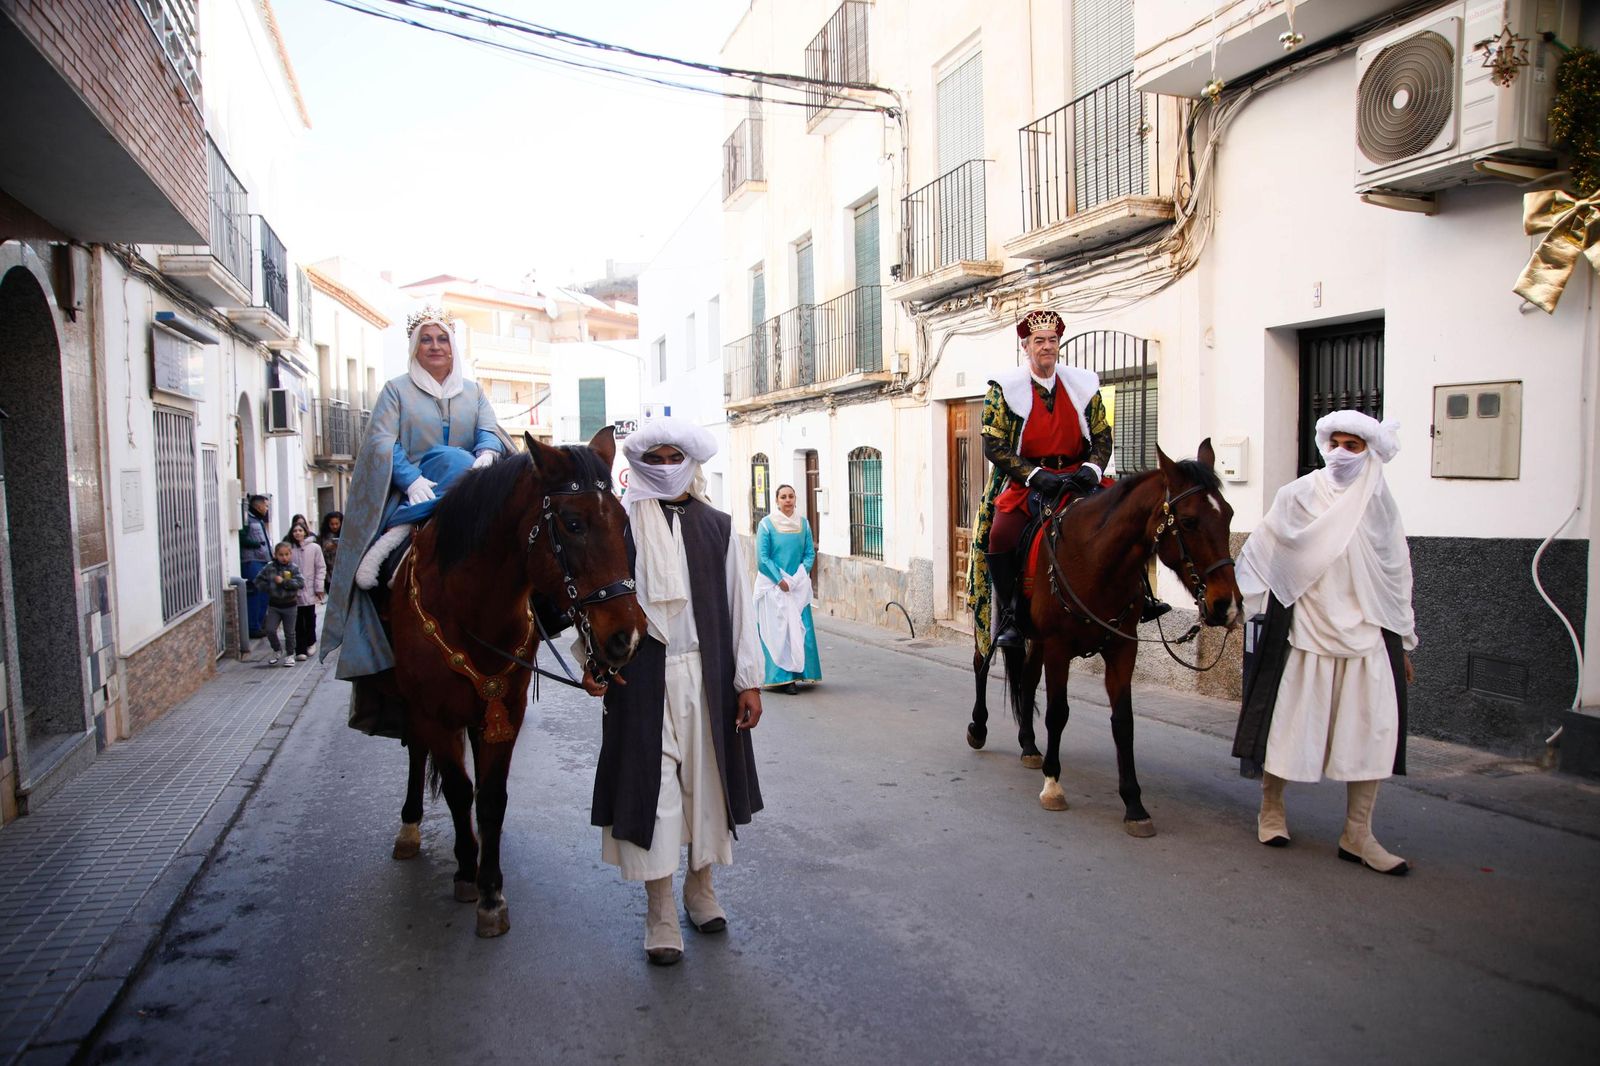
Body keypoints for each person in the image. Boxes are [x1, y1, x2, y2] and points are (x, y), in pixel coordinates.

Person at [582, 417, 764, 967]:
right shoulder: (621, 527)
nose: (664, 467)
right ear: (638, 465)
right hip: (641, 679)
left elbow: (739, 607)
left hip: (706, 676)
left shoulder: (717, 526)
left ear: (689, 462)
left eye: (672, 458)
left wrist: (747, 679)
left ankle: (700, 889)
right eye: (653, 459)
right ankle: (660, 911)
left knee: (707, 787)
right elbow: (594, 597)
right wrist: (592, 660)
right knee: (653, 793)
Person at [1233, 410, 1418, 876]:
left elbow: (1396, 571)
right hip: (1305, 631)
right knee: (1288, 727)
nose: (1340, 453)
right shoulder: (1298, 494)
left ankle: (1358, 833)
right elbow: (1265, 548)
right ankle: (1271, 810)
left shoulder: (1379, 504)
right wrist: (1248, 606)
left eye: (1352, 446)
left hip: (1368, 634)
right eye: (1334, 443)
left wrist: (1406, 641)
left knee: (1370, 734)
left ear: (1369, 452)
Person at [320, 308, 508, 733]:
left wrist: (487, 454)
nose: (436, 346)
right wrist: (412, 479)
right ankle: (383, 657)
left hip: (470, 492)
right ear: (415, 347)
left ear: (453, 345)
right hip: (414, 491)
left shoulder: (473, 392)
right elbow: (383, 442)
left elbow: (490, 429)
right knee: (375, 573)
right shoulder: (395, 391)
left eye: (442, 339)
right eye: (427, 340)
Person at [968, 308, 1164, 655]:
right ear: (1026, 347)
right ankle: (1012, 617)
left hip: (1078, 477)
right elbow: (993, 444)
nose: (1047, 347)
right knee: (1000, 534)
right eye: (1039, 341)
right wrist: (1032, 474)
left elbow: (1102, 434)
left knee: (1126, 521)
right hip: (1030, 480)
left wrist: (1092, 467)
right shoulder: (1003, 389)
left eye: (1052, 340)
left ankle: (1143, 597)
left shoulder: (1082, 385)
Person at [754, 484, 821, 693]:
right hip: (774, 586)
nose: (788, 500)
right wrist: (779, 580)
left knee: (801, 629)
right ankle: (782, 677)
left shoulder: (803, 524)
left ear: (795, 499)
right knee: (778, 630)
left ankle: (803, 672)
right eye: (783, 497)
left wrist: (799, 577)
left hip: (797, 586)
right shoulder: (767, 525)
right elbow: (762, 558)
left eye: (791, 496)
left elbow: (809, 553)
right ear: (777, 501)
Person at [253, 541, 304, 667]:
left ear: (290, 554)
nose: (284, 557)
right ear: (276, 555)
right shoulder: (270, 568)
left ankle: (290, 654)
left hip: (290, 605)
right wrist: (269, 587)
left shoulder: (293, 568)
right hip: (274, 605)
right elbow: (258, 580)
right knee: (270, 629)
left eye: (287, 554)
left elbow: (300, 583)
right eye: (281, 555)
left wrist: (284, 582)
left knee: (289, 632)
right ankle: (277, 650)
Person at [288, 521, 326, 660]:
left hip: (309, 588)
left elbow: (320, 567)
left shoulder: (314, 547)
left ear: (305, 532)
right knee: (297, 620)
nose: (297, 533)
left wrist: (319, 587)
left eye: (300, 530)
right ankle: (300, 649)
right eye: (295, 531)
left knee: (310, 617)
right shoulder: (289, 548)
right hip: (294, 590)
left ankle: (311, 641)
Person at [239, 495, 274, 639]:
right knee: (255, 593)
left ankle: (259, 625)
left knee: (264, 594)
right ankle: (253, 627)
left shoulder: (258, 520)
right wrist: (256, 545)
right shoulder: (248, 519)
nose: (267, 509)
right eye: (266, 506)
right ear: (259, 506)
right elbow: (241, 537)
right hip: (252, 561)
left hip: (262, 561)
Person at [318, 511, 343, 594]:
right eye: (332, 524)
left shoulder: (346, 535)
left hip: (343, 572)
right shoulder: (323, 537)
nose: (335, 526)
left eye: (337, 524)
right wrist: (327, 549)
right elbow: (319, 555)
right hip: (328, 574)